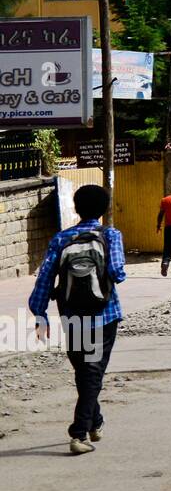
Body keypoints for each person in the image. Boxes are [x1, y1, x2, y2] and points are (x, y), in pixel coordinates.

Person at [28, 184, 127, 455]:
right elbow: (118, 273)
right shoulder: (110, 235)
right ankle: (79, 433)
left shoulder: (61, 239)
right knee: (92, 373)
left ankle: (95, 422)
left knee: (85, 371)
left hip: (72, 317)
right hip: (104, 315)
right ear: (105, 209)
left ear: (76, 208)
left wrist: (39, 312)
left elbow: (46, 276)